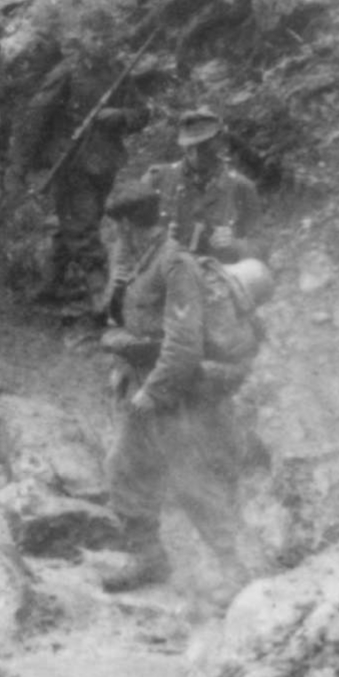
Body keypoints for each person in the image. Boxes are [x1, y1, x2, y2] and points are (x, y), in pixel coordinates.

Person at [94, 184, 249, 596]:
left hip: (178, 393)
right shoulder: (131, 259)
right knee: (124, 469)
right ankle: (149, 559)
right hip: (140, 384)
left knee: (190, 479)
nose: (114, 235)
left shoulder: (176, 265)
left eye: (117, 227)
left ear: (128, 225)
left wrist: (155, 393)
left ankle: (235, 569)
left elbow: (184, 344)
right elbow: (119, 315)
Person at [12, 40, 145, 315]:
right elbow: (37, 115)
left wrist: (120, 116)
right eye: (95, 39)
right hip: (70, 162)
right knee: (83, 227)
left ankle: (49, 286)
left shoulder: (119, 71)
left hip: (105, 162)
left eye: (105, 39)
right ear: (85, 42)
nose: (101, 46)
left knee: (79, 221)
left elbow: (142, 112)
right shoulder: (67, 72)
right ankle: (100, 295)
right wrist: (23, 164)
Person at [141, 107, 263, 263]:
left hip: (218, 275)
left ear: (220, 142)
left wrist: (236, 245)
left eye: (205, 145)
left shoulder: (241, 187)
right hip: (164, 276)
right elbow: (128, 237)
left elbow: (261, 246)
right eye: (190, 147)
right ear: (183, 145)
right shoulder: (157, 179)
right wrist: (160, 237)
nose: (197, 154)